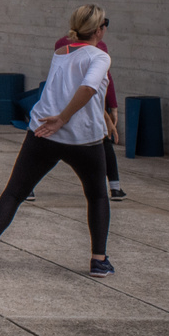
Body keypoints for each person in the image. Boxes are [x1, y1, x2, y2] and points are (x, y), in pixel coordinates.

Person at [0, 4, 117, 277]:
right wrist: (64, 119)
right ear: (99, 30)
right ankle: (99, 260)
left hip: (43, 131)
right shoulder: (100, 57)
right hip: (82, 138)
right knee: (98, 195)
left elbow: (74, 89)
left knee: (15, 192)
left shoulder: (60, 52)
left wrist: (56, 120)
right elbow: (88, 88)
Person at [49, 14, 125, 201]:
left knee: (49, 146)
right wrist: (110, 109)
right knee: (102, 143)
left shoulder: (61, 46)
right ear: (97, 30)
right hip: (82, 106)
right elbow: (94, 86)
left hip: (64, 104)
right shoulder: (99, 51)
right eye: (104, 24)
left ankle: (27, 187)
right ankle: (113, 187)